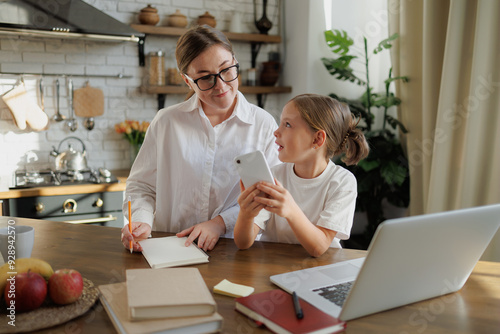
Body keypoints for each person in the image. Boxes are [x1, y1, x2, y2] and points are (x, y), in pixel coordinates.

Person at [121, 25, 279, 252]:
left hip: (236, 251)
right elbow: (140, 186)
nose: (221, 85)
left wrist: (219, 224)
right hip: (172, 250)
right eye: (205, 78)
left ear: (235, 62)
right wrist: (141, 220)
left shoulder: (263, 125)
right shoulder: (167, 122)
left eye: (226, 70)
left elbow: (269, 199)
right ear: (187, 81)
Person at [234, 94, 369, 257]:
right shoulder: (275, 176)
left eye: (288, 124)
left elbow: (319, 248)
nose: (276, 132)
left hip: (320, 271)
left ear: (317, 139)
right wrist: (246, 215)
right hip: (274, 266)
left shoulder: (342, 182)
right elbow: (242, 243)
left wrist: (291, 210)